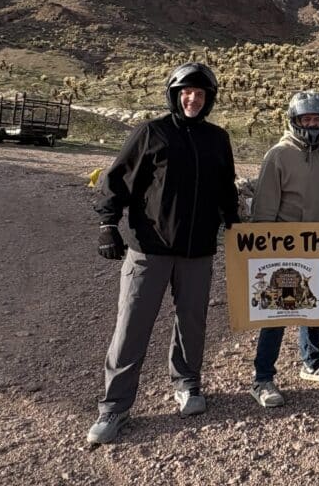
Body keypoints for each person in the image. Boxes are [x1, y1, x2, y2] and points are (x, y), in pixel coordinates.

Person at [87, 63, 238, 445]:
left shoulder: (217, 138)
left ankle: (187, 384)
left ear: (209, 100)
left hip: (198, 251)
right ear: (174, 95)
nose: (193, 99)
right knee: (132, 327)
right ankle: (114, 408)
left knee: (192, 322)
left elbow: (225, 188)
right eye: (187, 92)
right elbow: (116, 180)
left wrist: (234, 219)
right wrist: (108, 224)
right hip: (149, 250)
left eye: (201, 94)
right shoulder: (151, 133)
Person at [249, 91, 319, 408]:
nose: (313, 124)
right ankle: (262, 379)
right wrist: (263, 249)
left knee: (313, 307)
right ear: (295, 120)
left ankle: (312, 363)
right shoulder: (278, 155)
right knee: (276, 313)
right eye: (307, 119)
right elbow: (263, 208)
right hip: (283, 250)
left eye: (317, 119)